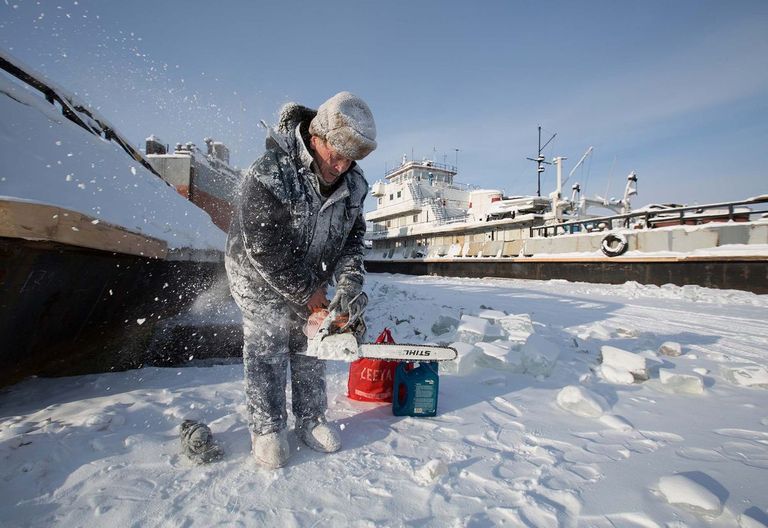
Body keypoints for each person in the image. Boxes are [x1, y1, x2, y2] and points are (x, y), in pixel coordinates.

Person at [225, 92, 376, 468]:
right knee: (268, 342)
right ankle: (268, 427)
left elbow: (351, 240)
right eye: (336, 154)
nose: (341, 166)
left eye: (350, 159)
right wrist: (308, 291)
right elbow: (262, 245)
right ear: (316, 138)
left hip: (311, 270)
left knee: (311, 339)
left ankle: (311, 419)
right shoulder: (269, 172)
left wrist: (347, 287)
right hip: (255, 271)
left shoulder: (355, 187)